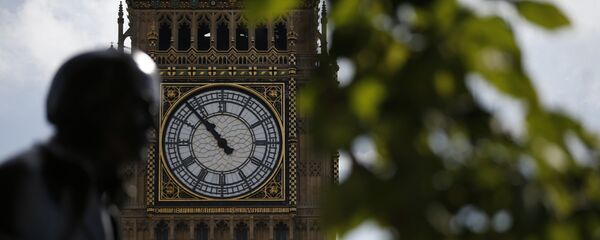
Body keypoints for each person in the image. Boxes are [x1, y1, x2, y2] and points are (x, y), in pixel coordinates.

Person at [0, 50, 159, 240]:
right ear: (97, 109)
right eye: (138, 110)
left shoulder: (103, 210)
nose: (149, 125)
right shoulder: (24, 182)